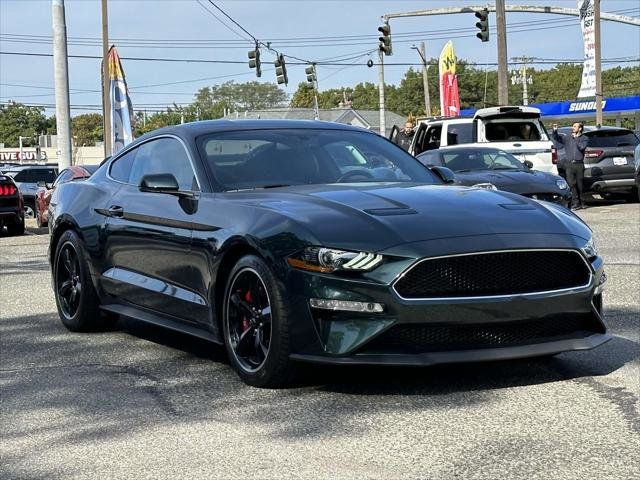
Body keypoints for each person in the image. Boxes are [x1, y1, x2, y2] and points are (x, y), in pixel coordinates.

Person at [551, 122, 589, 210]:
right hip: (569, 164)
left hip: (579, 164)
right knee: (571, 184)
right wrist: (555, 131)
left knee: (580, 185)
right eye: (573, 126)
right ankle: (576, 204)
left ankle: (582, 202)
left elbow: (581, 147)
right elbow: (557, 139)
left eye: (575, 126)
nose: (573, 128)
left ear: (580, 129)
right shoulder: (568, 137)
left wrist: (576, 139)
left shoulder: (584, 138)